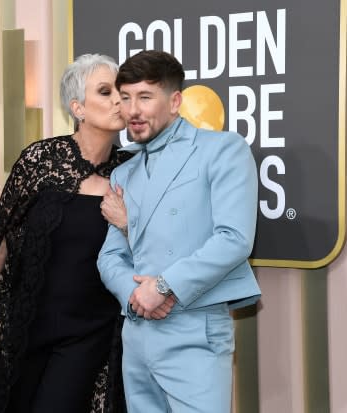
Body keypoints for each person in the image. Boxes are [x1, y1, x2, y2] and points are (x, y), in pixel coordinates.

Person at [0, 53, 137, 413]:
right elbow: (2, 238)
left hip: (90, 330)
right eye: (105, 91)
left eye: (121, 91)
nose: (119, 100)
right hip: (27, 323)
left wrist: (127, 223)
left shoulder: (132, 171)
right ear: (78, 107)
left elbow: (151, 246)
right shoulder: (40, 160)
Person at [97, 50, 262, 412]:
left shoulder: (222, 149)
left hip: (193, 327)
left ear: (174, 102)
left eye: (145, 97)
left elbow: (234, 238)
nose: (133, 110)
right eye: (125, 98)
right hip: (137, 331)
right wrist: (135, 296)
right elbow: (110, 256)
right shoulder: (124, 172)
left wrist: (163, 286)